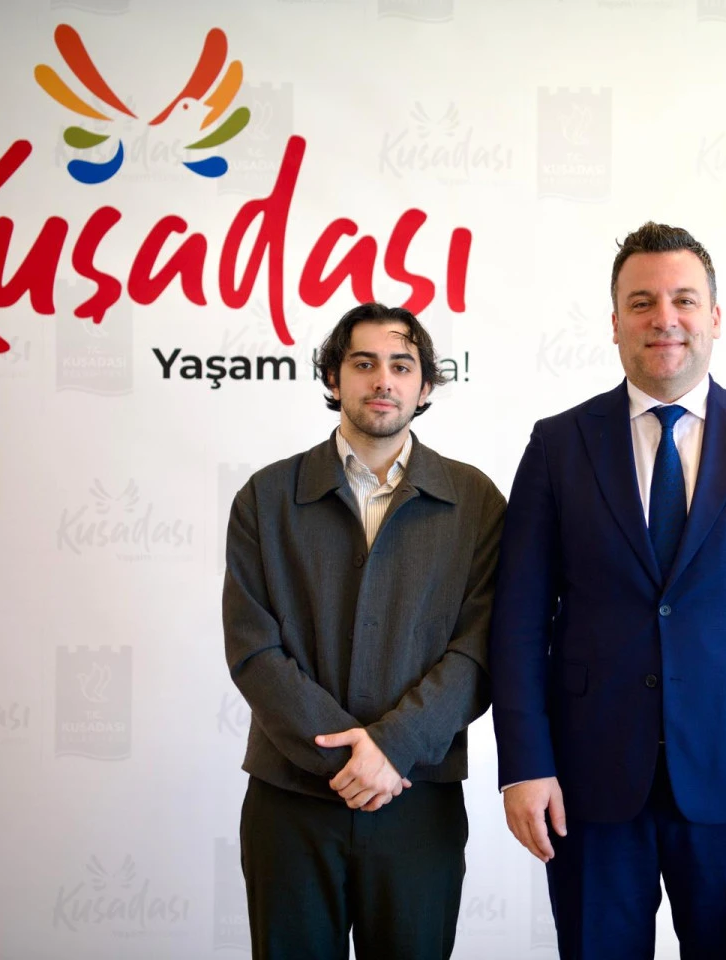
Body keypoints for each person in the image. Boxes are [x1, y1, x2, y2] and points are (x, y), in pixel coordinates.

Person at [490, 222, 726, 960]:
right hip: (587, 784)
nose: (665, 318)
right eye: (642, 302)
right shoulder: (557, 444)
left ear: (714, 316)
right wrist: (524, 762)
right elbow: (518, 622)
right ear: (615, 321)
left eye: (684, 299)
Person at [224, 302, 505, 960]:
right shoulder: (266, 497)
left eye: (402, 366)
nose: (384, 380)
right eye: (364, 363)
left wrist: (393, 749)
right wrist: (352, 761)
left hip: (419, 800)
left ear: (426, 386)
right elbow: (253, 648)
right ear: (333, 377)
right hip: (290, 801)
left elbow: (480, 648)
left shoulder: (476, 503)